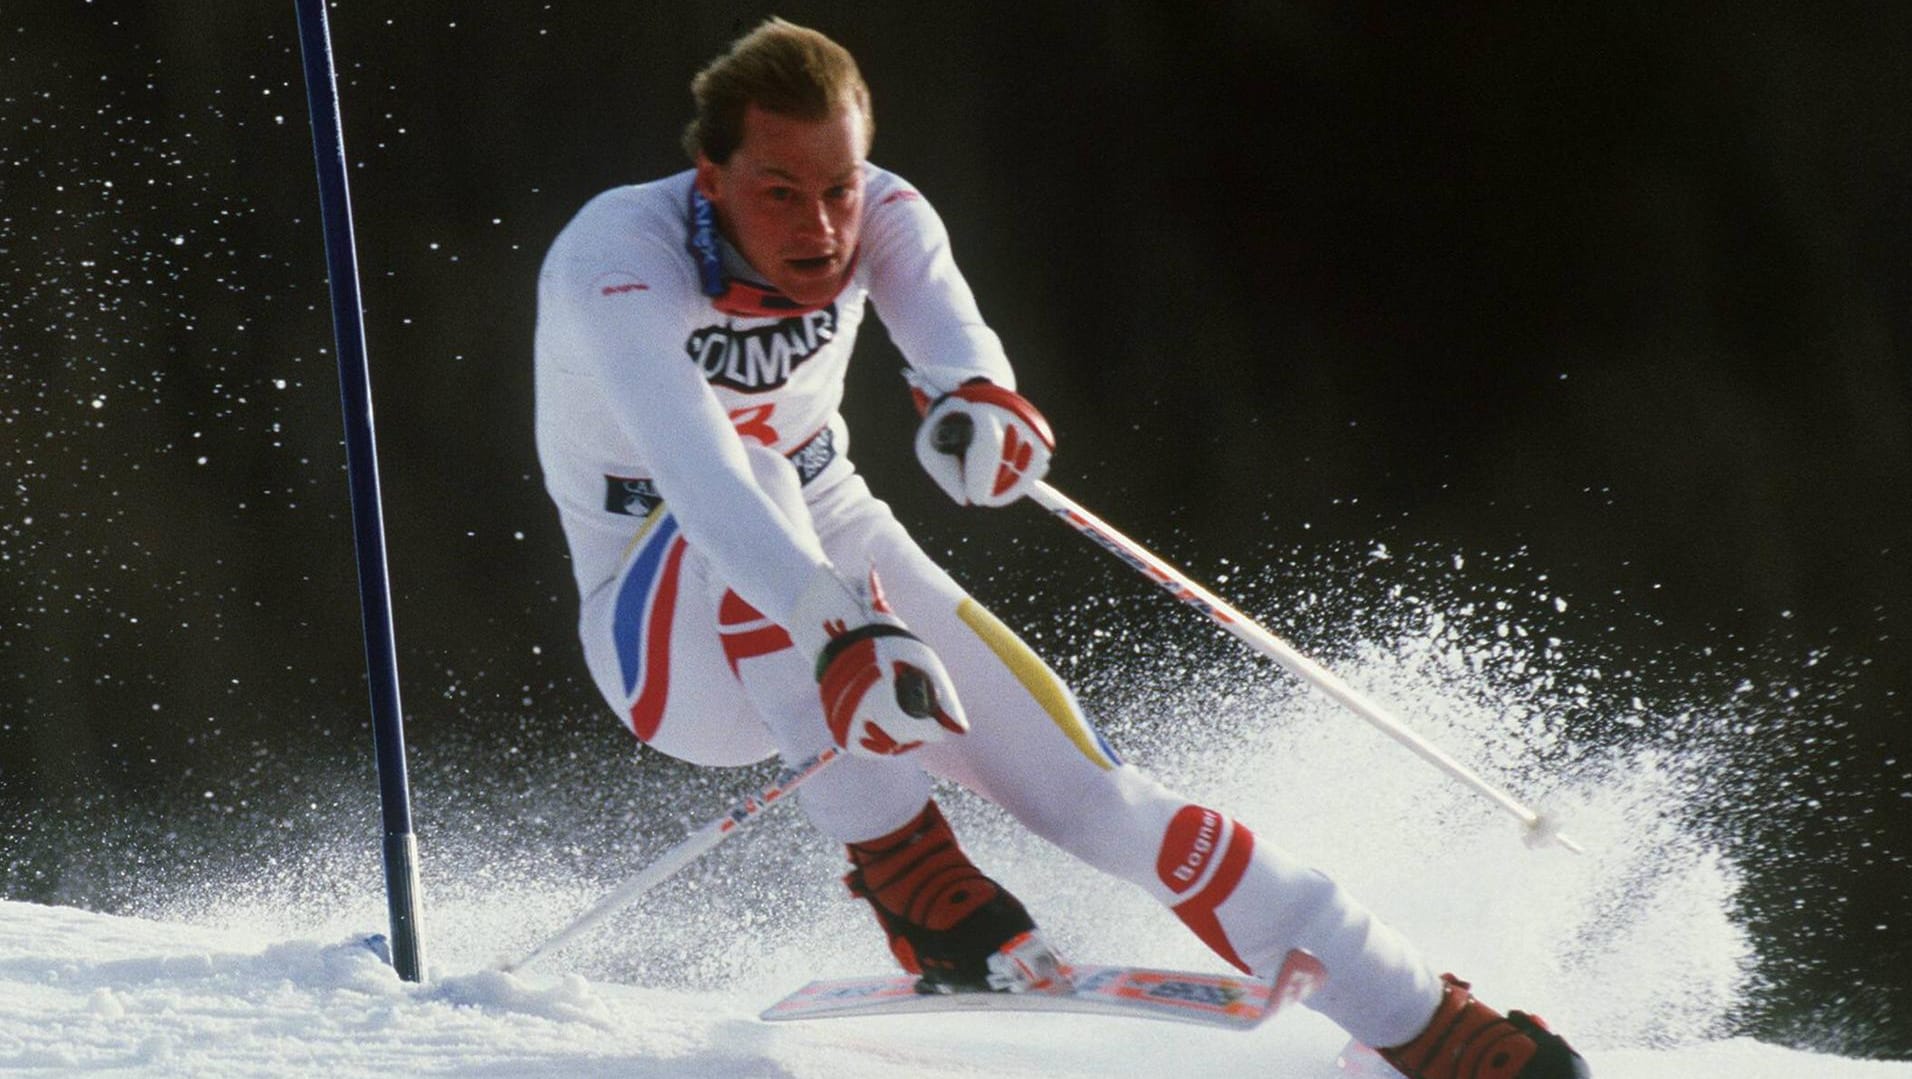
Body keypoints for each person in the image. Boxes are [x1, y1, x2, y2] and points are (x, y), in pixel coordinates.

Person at [534, 17, 1588, 1079]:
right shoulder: (617, 261)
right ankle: (913, 876)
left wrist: (985, 415)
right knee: (762, 463)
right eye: (778, 191)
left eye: (839, 187)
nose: (820, 225)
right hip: (664, 627)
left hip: (837, 548)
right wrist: (834, 624)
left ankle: (1425, 1019)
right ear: (708, 176)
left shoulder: (887, 212)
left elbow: (957, 349)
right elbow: (704, 468)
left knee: (1100, 797)